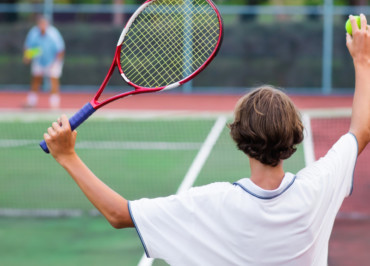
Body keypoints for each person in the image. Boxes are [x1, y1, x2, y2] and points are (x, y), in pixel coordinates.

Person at [43, 14, 370, 265]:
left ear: (239, 136)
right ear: (295, 133)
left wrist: (68, 156)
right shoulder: (318, 188)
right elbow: (361, 128)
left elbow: (119, 214)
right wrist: (362, 59)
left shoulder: (211, 203)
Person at [23, 14, 65, 109]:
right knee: (36, 79)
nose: (42, 25)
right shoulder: (33, 33)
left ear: (47, 24)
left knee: (53, 79)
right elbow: (28, 47)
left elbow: (60, 50)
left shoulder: (53, 34)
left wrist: (55, 64)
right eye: (40, 23)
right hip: (39, 59)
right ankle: (32, 101)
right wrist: (27, 56)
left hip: (54, 59)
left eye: (44, 23)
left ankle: (54, 103)